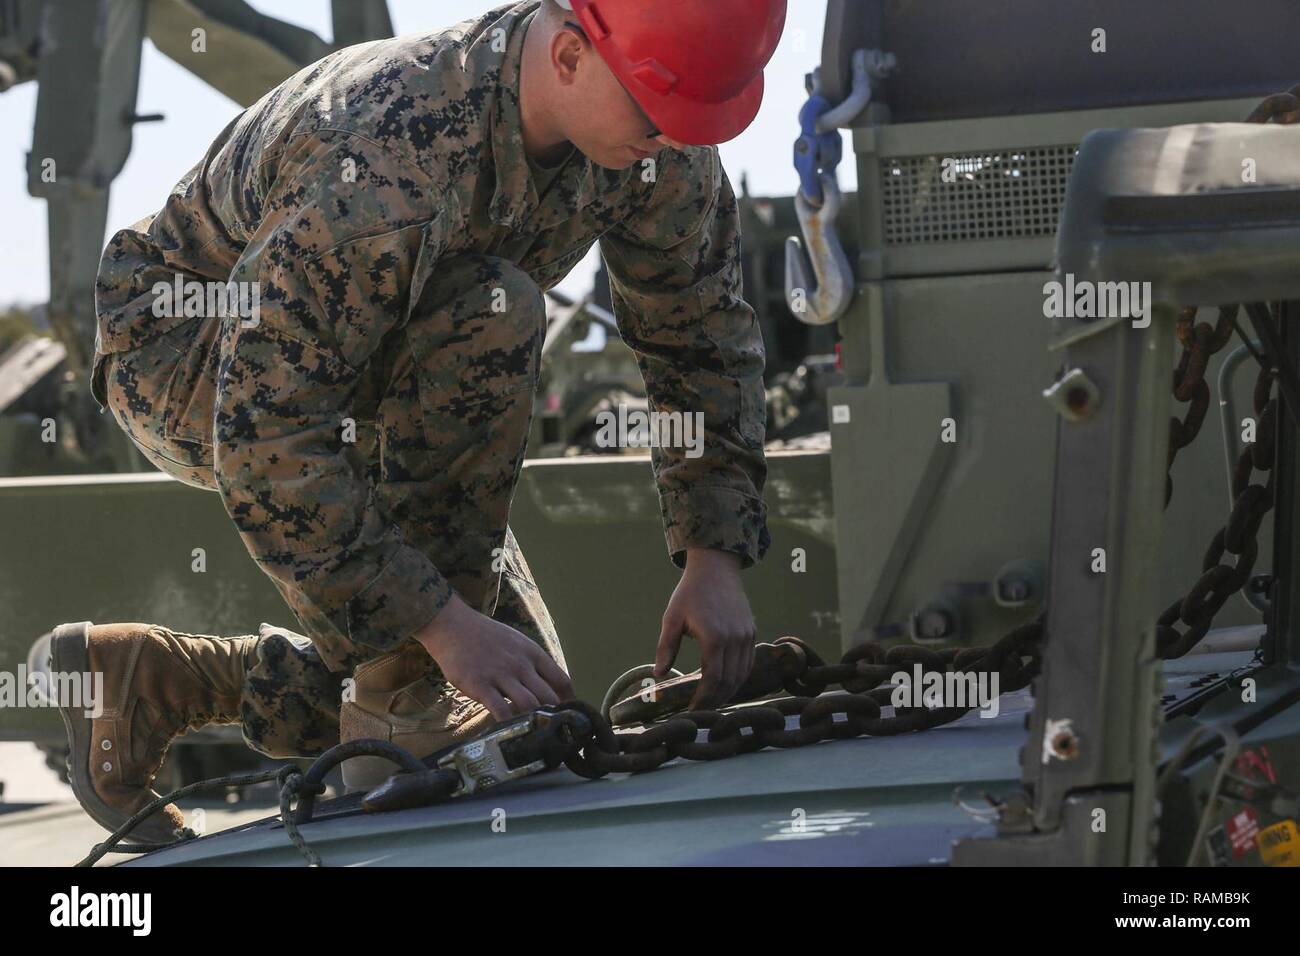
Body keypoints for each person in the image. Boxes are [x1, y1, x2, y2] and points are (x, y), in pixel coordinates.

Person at [51, 0, 785, 842]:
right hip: (188, 357)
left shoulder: (658, 136)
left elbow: (700, 334)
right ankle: (399, 698)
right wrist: (439, 622)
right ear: (572, 56)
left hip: (363, 358)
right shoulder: (389, 148)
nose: (670, 138)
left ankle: (155, 683)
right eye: (659, 112)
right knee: (492, 311)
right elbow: (267, 432)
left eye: (694, 117)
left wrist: (713, 555)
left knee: (524, 713)